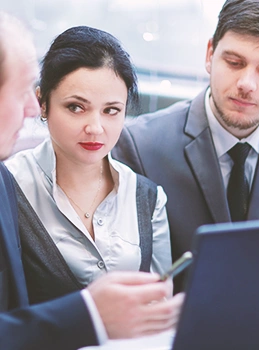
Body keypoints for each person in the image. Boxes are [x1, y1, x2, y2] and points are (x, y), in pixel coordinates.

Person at [113, 0, 259, 294]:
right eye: (234, 62)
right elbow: (130, 276)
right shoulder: (140, 145)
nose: (246, 83)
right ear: (210, 54)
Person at [0, 11, 183, 350]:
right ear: (42, 103)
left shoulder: (147, 197)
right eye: (76, 107)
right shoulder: (8, 184)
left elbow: (157, 311)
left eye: (111, 110)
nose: (95, 128)